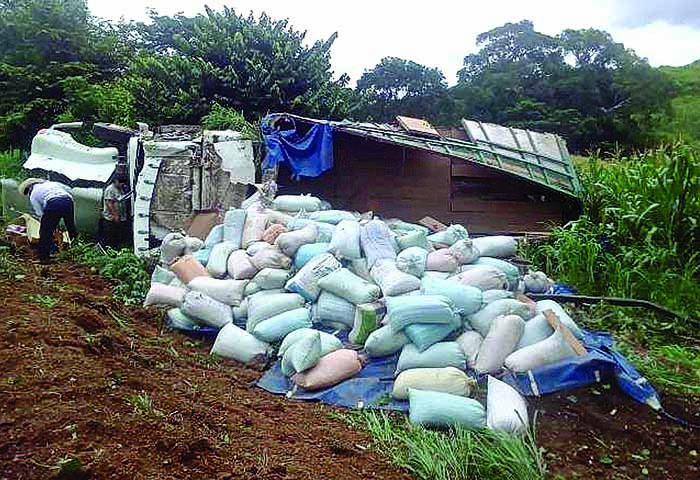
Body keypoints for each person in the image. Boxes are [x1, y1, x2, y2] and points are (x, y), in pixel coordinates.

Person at [19, 178, 78, 262]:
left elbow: (40, 214)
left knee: (45, 232)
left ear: (28, 189)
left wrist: (45, 225)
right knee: (70, 226)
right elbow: (68, 190)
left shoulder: (33, 194)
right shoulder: (51, 183)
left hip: (53, 203)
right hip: (68, 200)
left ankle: (44, 257)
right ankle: (77, 248)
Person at [99, 176, 130, 248]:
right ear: (115, 181)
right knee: (109, 238)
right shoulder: (110, 189)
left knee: (117, 238)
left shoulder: (121, 189)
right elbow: (110, 203)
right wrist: (115, 215)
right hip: (111, 219)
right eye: (120, 182)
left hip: (120, 218)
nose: (122, 184)